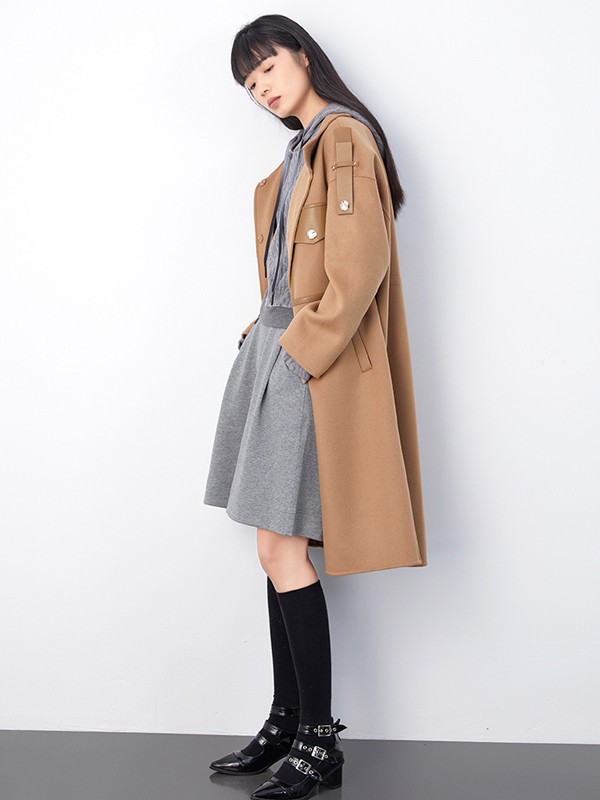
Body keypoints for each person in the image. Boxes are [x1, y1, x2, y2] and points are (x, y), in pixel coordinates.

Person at [204, 14, 428, 799]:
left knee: (282, 549)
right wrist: (260, 338)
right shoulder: (299, 152)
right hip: (274, 353)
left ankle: (318, 741)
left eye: (266, 66)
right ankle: (288, 718)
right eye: (249, 81)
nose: (260, 86)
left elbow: (357, 272)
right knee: (275, 547)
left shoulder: (343, 138)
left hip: (307, 362)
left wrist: (298, 354)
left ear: (303, 55)